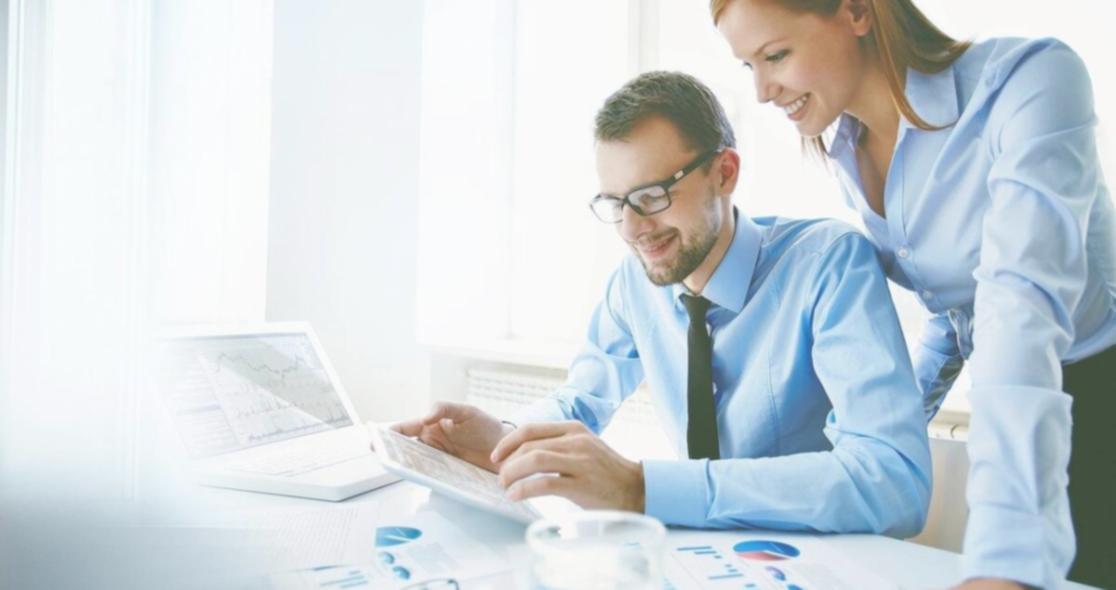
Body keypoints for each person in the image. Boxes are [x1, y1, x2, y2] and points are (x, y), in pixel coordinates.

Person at [395, 71, 932, 536]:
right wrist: (505, 441)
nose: (631, 228)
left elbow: (895, 483)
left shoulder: (829, 264)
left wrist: (642, 487)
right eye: (615, 202)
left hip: (821, 564)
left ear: (724, 173)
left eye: (652, 197)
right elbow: (581, 400)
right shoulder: (633, 285)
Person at [711, 1, 1116, 588]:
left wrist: (1007, 560)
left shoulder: (1028, 82)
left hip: (1095, 390)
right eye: (749, 65)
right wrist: (878, 438)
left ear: (855, 12)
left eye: (776, 55)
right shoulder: (848, 146)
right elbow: (959, 315)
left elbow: (1017, 309)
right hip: (1023, 398)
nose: (763, 91)